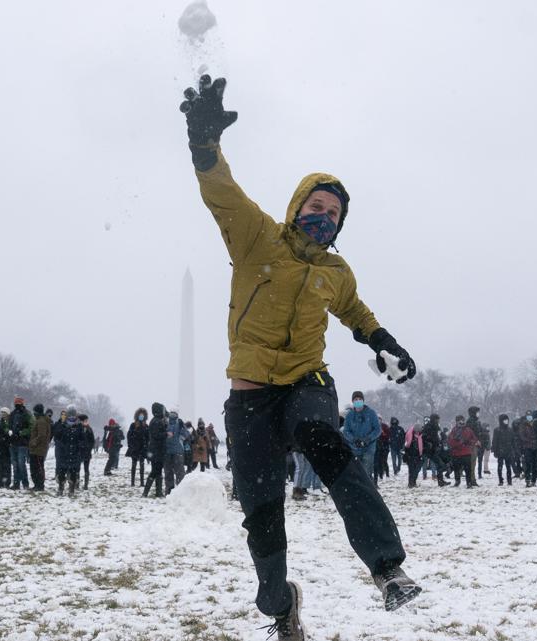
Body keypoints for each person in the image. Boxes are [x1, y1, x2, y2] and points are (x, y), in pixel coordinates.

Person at [180, 74, 420, 637]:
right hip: (249, 397)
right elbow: (221, 191)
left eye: (334, 214)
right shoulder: (256, 238)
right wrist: (203, 143)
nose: (324, 217)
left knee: (325, 443)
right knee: (262, 513)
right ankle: (279, 602)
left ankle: (388, 569)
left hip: (308, 382)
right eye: (316, 205)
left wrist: (383, 340)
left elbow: (356, 311)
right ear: (296, 206)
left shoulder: (336, 272)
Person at [343, 391, 381, 483]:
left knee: (366, 471)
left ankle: (368, 490)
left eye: (360, 399)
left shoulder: (371, 413)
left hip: (369, 447)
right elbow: (346, 431)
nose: (358, 401)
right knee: (356, 471)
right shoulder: (349, 415)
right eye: (356, 399)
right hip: (354, 447)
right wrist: (353, 440)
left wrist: (368, 439)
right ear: (353, 401)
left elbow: (377, 430)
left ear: (363, 401)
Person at [52, 405, 82, 497]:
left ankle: (71, 489)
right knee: (61, 473)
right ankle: (60, 488)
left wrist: (80, 448)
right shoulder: (62, 425)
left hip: (74, 454)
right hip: (63, 454)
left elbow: (82, 440)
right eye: (70, 415)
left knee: (73, 473)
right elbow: (57, 436)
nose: (72, 417)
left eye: (73, 415)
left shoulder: (79, 426)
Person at [142, 403, 168, 498]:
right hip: (157, 450)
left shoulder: (157, 420)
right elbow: (156, 435)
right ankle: (146, 493)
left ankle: (158, 492)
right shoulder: (156, 421)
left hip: (157, 450)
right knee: (155, 471)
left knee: (158, 471)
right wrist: (166, 434)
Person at [447, 415, 479, 488]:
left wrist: (469, 443)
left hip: (466, 452)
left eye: (462, 420)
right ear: (457, 421)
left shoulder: (468, 430)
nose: (461, 422)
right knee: (456, 469)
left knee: (468, 469)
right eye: (460, 420)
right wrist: (459, 443)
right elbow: (450, 441)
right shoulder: (454, 430)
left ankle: (469, 483)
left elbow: (474, 439)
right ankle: (457, 481)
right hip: (456, 453)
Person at [8, 397, 33, 490]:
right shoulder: (13, 414)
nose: (17, 404)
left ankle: (25, 483)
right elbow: (9, 426)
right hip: (14, 442)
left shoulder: (27, 414)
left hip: (22, 443)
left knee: (21, 464)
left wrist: (21, 433)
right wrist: (10, 432)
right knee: (15, 464)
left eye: (19, 403)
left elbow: (31, 427)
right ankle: (16, 483)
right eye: (16, 403)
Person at [29, 403, 51, 492]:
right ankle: (37, 485)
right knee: (37, 467)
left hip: (38, 449)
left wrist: (33, 442)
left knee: (37, 468)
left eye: (34, 411)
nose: (33, 413)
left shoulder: (41, 421)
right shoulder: (41, 420)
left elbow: (41, 435)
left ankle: (39, 485)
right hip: (38, 449)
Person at [163, 409, 188, 491]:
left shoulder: (165, 423)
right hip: (178, 452)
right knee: (180, 473)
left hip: (167, 451)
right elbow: (186, 433)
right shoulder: (179, 423)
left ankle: (169, 491)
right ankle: (181, 491)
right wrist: (180, 440)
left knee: (168, 473)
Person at [126, 408, 150, 487]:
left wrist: (147, 446)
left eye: (142, 415)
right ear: (137, 416)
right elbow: (129, 436)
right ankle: (132, 482)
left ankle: (142, 482)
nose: (141, 417)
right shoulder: (133, 425)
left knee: (142, 465)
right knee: (134, 465)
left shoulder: (146, 426)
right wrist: (131, 446)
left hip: (143, 448)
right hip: (134, 448)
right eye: (140, 415)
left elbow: (148, 437)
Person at [492, 414, 516, 486]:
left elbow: (513, 441)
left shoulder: (510, 430)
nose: (506, 421)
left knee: (508, 466)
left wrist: (514, 450)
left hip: (508, 451)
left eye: (507, 419)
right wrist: (495, 450)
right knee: (500, 466)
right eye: (505, 420)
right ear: (501, 421)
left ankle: (509, 480)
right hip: (500, 451)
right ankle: (500, 480)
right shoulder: (497, 430)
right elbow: (495, 441)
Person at [402, 423, 425, 488]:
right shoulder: (410, 435)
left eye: (418, 431)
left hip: (418, 454)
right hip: (411, 455)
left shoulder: (422, 436)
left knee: (416, 469)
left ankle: (413, 482)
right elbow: (406, 445)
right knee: (411, 470)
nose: (417, 432)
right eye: (417, 431)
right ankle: (411, 483)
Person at [78, 414, 95, 489]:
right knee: (77, 469)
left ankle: (85, 485)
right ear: (81, 421)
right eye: (85, 420)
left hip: (86, 452)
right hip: (79, 451)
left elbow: (92, 440)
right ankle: (76, 484)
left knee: (86, 469)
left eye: (87, 420)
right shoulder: (78, 428)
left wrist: (88, 448)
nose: (87, 422)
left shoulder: (89, 429)